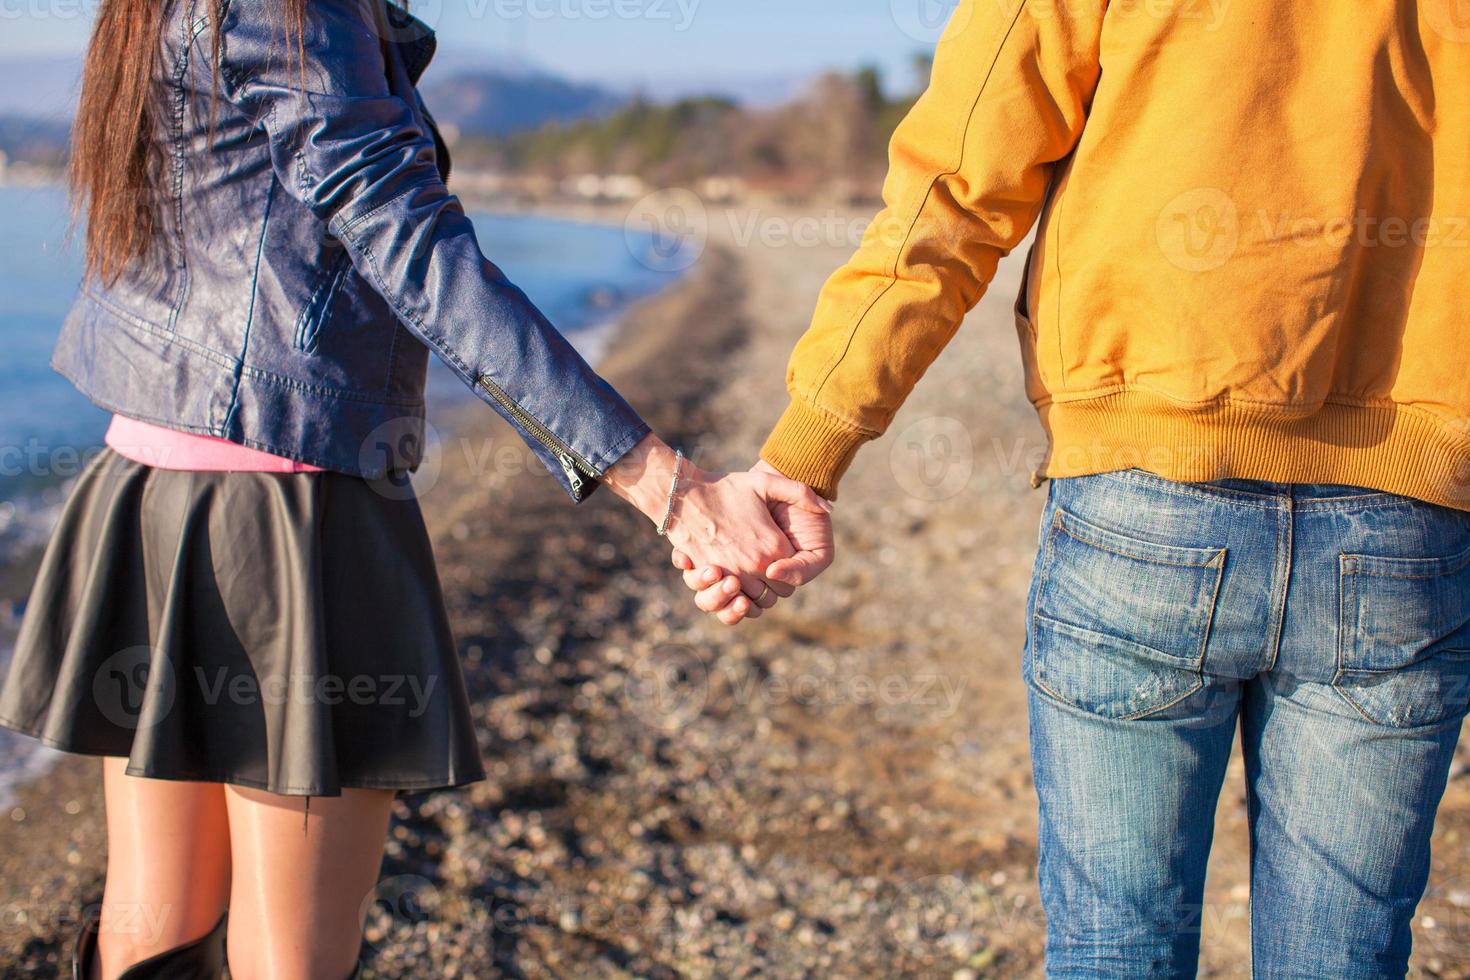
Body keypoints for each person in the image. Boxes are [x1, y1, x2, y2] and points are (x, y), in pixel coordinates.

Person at [0, 0, 830, 976]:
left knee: (151, 930)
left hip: (148, 487)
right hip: (286, 512)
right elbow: (412, 245)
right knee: (289, 957)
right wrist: (672, 489)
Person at [680, 1, 1470, 975]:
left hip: (1145, 503)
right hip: (1407, 524)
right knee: (1343, 959)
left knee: (1116, 945)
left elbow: (956, 192)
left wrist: (806, 452)